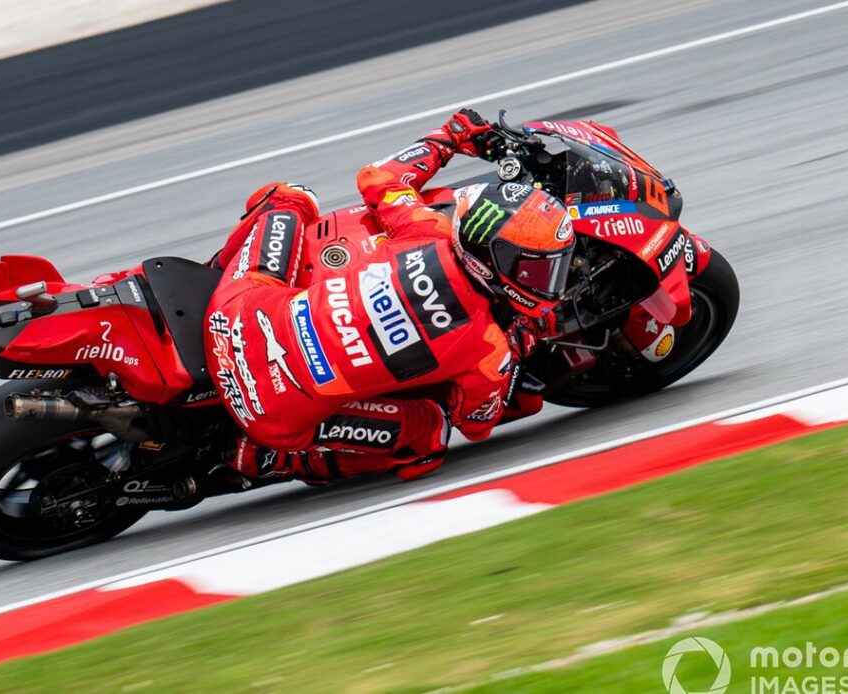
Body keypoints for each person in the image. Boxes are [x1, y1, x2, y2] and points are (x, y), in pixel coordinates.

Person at [205, 109, 575, 483]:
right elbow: (476, 424)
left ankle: (211, 274)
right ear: (491, 258)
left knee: (290, 200)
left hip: (231, 315)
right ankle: (269, 458)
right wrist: (521, 343)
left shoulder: (425, 228)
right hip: (269, 413)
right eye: (536, 270)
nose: (548, 283)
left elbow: (377, 178)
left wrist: (451, 136)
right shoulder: (488, 347)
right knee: (431, 436)